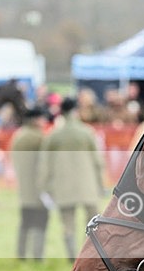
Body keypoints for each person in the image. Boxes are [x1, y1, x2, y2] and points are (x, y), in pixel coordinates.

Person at [38, 97, 105, 261]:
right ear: (75, 110)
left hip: (63, 186)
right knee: (93, 222)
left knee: (67, 225)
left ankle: (71, 257)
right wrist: (101, 184)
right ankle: (87, 254)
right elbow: (98, 161)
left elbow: (45, 163)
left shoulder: (54, 135)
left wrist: (44, 187)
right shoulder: (86, 132)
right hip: (87, 185)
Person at [11, 107, 49, 261]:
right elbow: (45, 164)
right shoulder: (39, 137)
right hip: (38, 189)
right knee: (40, 222)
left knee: (25, 222)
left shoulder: (18, 135)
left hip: (23, 188)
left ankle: (21, 255)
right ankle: (37, 257)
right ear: (36, 120)